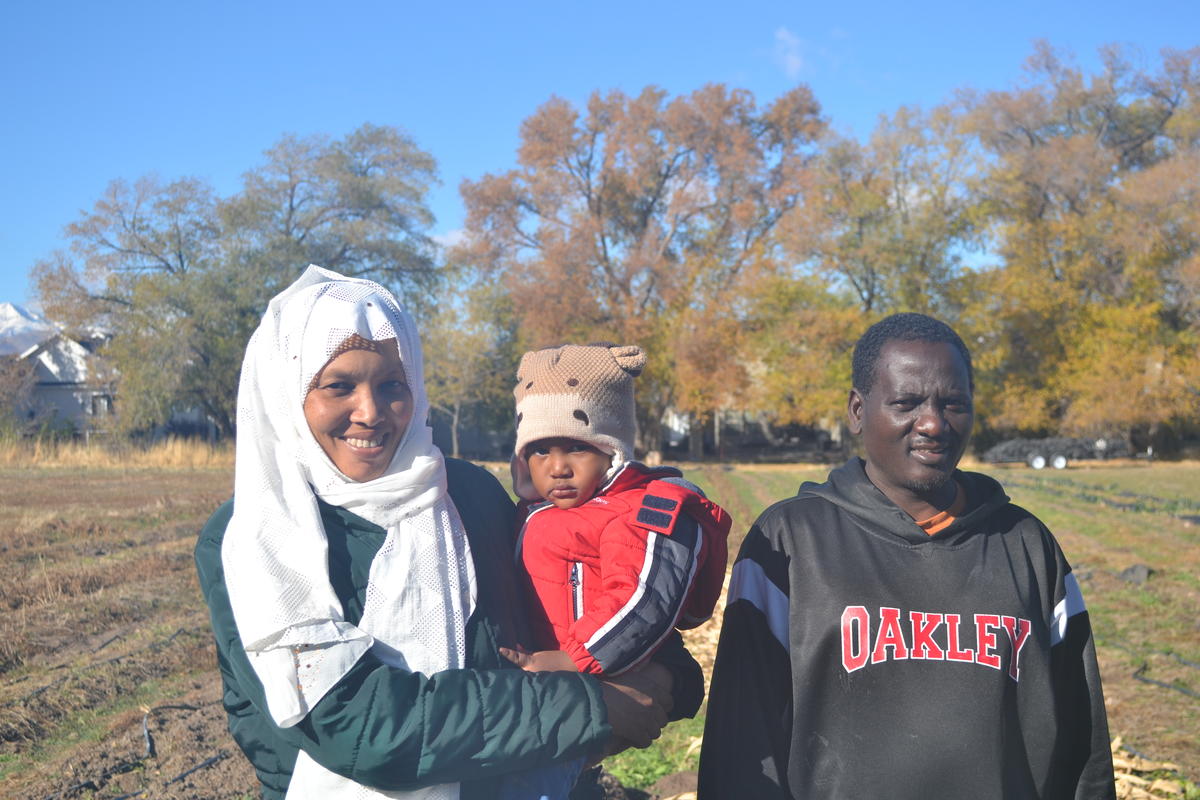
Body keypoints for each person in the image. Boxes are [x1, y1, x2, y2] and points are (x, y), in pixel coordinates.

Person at [194, 266, 699, 800]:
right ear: (287, 395)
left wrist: (664, 676)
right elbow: (362, 724)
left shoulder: (468, 494)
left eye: (392, 385)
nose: (369, 412)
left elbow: (572, 593)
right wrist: (595, 708)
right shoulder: (256, 537)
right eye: (338, 386)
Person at [698, 312, 1115, 800]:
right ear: (858, 411)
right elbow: (741, 742)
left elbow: (1083, 742)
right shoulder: (791, 543)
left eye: (954, 403)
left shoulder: (1027, 544)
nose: (934, 423)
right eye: (907, 402)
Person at [496, 343, 729, 800]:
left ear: (612, 451)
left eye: (577, 448)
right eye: (540, 450)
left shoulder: (635, 512)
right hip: (554, 694)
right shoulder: (540, 510)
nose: (558, 467)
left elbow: (643, 599)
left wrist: (574, 659)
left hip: (597, 675)